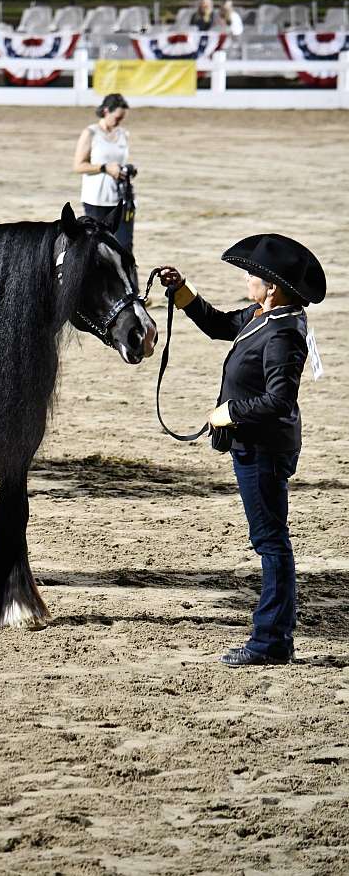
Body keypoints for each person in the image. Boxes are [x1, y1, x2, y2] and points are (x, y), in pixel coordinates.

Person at [157, 234, 326, 667]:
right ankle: (275, 638)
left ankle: (271, 642)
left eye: (253, 275)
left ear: (272, 286)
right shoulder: (262, 315)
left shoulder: (284, 334)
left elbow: (279, 400)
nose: (248, 279)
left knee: (271, 543)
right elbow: (219, 324)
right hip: (254, 446)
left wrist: (228, 412)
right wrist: (182, 291)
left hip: (264, 450)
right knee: (269, 539)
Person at [73, 93, 134, 251]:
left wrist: (127, 170)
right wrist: (104, 168)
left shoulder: (123, 135)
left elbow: (120, 161)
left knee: (124, 247)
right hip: (96, 200)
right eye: (117, 117)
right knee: (98, 248)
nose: (119, 122)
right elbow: (78, 165)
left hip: (121, 199)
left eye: (122, 118)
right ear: (106, 111)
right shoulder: (91, 133)